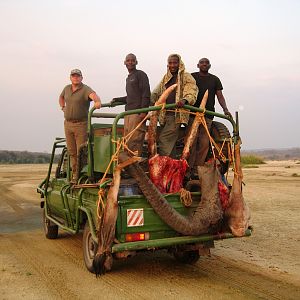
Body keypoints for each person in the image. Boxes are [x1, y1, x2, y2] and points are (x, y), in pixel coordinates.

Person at [188, 57, 232, 177]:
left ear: (209, 66)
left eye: (206, 63)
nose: (204, 64)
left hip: (207, 115)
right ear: (198, 65)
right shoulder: (192, 77)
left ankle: (198, 169)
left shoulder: (215, 79)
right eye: (202, 63)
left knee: (204, 143)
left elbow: (220, 96)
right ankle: (189, 168)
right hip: (193, 113)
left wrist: (225, 109)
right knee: (191, 141)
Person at [151, 54, 198, 157]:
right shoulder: (166, 77)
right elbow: (156, 92)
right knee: (170, 145)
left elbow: (191, 91)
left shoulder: (186, 76)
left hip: (176, 114)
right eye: (170, 63)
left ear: (179, 63)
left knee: (164, 140)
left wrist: (185, 100)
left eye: (175, 63)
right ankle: (174, 169)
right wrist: (148, 101)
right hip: (164, 114)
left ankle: (164, 167)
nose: (172, 65)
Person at [59, 69, 101, 182]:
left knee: (81, 151)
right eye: (73, 76)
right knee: (72, 151)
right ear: (70, 77)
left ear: (81, 78)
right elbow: (61, 97)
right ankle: (75, 174)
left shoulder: (85, 89)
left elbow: (95, 97)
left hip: (81, 124)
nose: (75, 78)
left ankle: (82, 175)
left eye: (78, 76)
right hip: (68, 124)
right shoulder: (66, 88)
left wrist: (97, 102)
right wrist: (63, 107)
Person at [112, 53, 151, 156]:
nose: (130, 62)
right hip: (128, 113)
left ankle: (135, 167)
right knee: (127, 142)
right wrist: (117, 99)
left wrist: (143, 111)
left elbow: (146, 93)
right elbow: (131, 97)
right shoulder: (129, 77)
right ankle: (129, 167)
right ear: (124, 62)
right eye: (128, 60)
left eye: (132, 60)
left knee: (135, 141)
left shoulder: (140, 74)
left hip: (137, 113)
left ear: (136, 62)